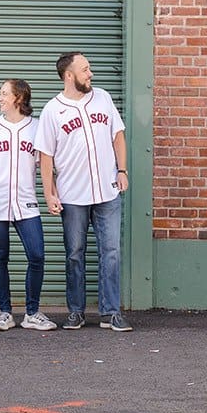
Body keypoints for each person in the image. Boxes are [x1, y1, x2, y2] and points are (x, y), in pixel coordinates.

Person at [36, 51, 132, 332]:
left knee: (111, 252)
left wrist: (122, 170)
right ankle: (76, 312)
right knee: (74, 254)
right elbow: (45, 156)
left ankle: (110, 312)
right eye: (85, 70)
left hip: (107, 191)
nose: (91, 74)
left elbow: (118, 136)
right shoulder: (52, 110)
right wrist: (49, 194)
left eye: (90, 69)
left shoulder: (102, 97)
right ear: (69, 76)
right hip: (72, 195)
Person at [0, 79, 56, 332]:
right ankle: (5, 313)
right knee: (0, 256)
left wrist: (52, 194)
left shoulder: (37, 127)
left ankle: (32, 313)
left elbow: (45, 165)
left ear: (18, 98)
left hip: (26, 202)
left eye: (4, 94)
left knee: (37, 255)